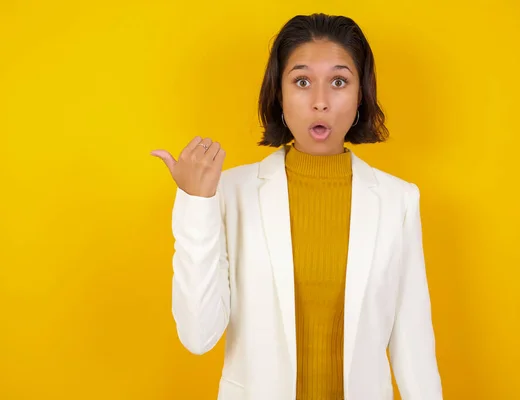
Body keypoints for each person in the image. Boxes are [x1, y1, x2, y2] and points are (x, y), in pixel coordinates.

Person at [151, 12, 443, 400]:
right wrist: (195, 204)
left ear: (361, 96)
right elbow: (198, 335)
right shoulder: (230, 192)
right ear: (279, 94)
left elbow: (414, 349)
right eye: (302, 81)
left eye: (339, 82)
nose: (320, 102)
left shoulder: (398, 200)